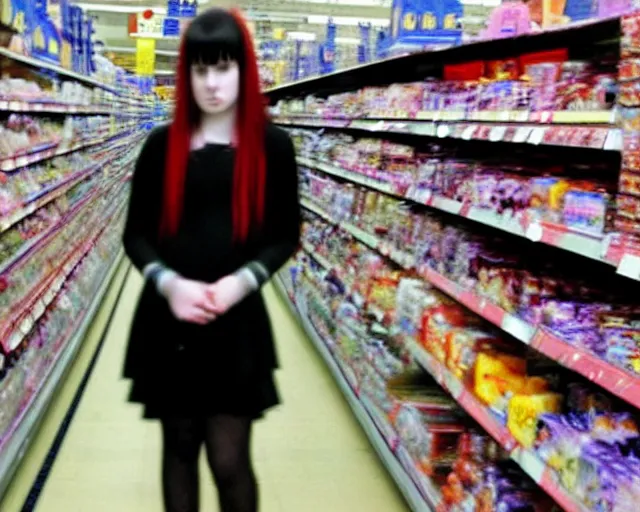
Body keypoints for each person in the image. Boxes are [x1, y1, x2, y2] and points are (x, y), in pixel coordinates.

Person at [121, 8, 300, 512]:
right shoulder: (160, 148)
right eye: (200, 70)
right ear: (186, 75)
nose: (212, 84)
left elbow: (283, 236)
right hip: (168, 324)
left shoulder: (273, 148)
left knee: (229, 459)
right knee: (178, 449)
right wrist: (169, 284)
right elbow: (136, 236)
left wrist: (241, 283)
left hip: (236, 324)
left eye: (223, 68)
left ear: (244, 69)